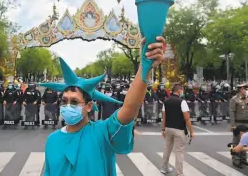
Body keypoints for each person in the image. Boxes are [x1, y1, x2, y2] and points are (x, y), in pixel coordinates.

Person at [40, 37, 165, 176]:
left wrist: (145, 65)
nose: (67, 106)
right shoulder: (52, 140)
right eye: (64, 101)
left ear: (89, 106)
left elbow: (130, 107)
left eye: (74, 102)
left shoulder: (102, 132)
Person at [161, 83, 194, 176]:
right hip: (179, 129)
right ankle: (179, 173)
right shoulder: (182, 102)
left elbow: (164, 117)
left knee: (167, 148)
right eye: (182, 90)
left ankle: (164, 168)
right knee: (179, 152)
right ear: (179, 91)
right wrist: (192, 131)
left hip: (168, 128)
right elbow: (187, 118)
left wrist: (163, 129)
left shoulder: (166, 101)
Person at [229, 83, 248, 167]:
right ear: (241, 89)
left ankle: (243, 158)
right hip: (238, 123)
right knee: (236, 142)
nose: (246, 90)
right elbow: (232, 112)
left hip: (246, 123)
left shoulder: (246, 99)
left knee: (245, 141)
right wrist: (233, 124)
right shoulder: (234, 99)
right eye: (245, 89)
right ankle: (236, 160)